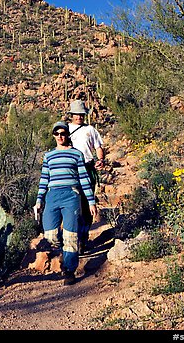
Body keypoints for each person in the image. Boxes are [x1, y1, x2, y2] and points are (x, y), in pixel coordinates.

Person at [34, 121, 98, 285]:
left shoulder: (76, 154)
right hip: (52, 195)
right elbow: (44, 179)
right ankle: (67, 251)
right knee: (50, 235)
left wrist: (91, 201)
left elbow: (84, 178)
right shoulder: (48, 155)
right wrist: (39, 200)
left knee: (70, 235)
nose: (60, 136)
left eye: (63, 133)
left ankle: (69, 270)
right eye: (57, 133)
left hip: (71, 194)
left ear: (67, 134)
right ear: (54, 135)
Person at [67, 100, 105, 254]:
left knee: (87, 204)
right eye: (76, 114)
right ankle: (71, 240)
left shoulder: (91, 130)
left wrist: (101, 160)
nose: (79, 117)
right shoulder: (65, 129)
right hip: (70, 170)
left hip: (88, 167)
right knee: (72, 206)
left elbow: (98, 147)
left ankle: (83, 239)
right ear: (72, 115)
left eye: (81, 114)